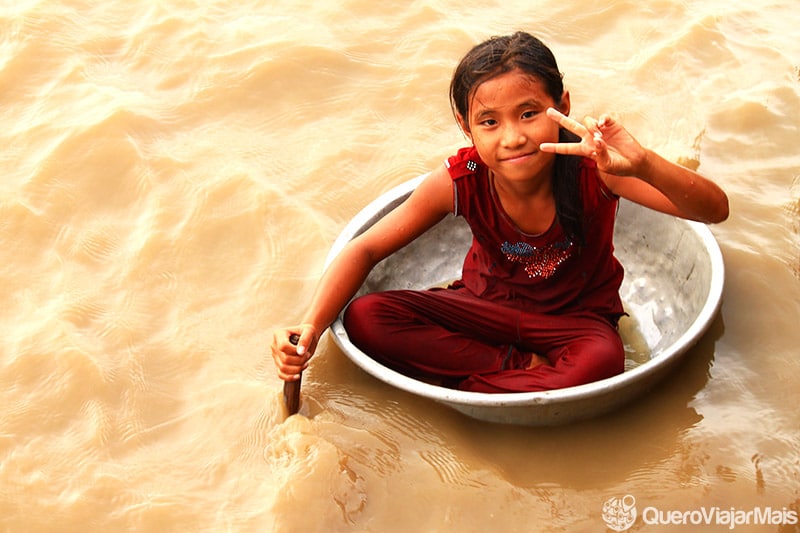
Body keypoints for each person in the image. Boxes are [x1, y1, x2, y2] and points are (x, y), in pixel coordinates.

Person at [270, 31, 728, 393]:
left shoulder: (595, 167)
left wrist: (644, 162)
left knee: (602, 361)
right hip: (483, 308)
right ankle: (517, 371)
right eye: (489, 122)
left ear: (562, 106)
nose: (511, 138)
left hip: (575, 324)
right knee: (365, 318)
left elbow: (715, 210)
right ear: (466, 126)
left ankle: (471, 387)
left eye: (529, 113)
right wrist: (308, 327)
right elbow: (366, 248)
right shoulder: (462, 177)